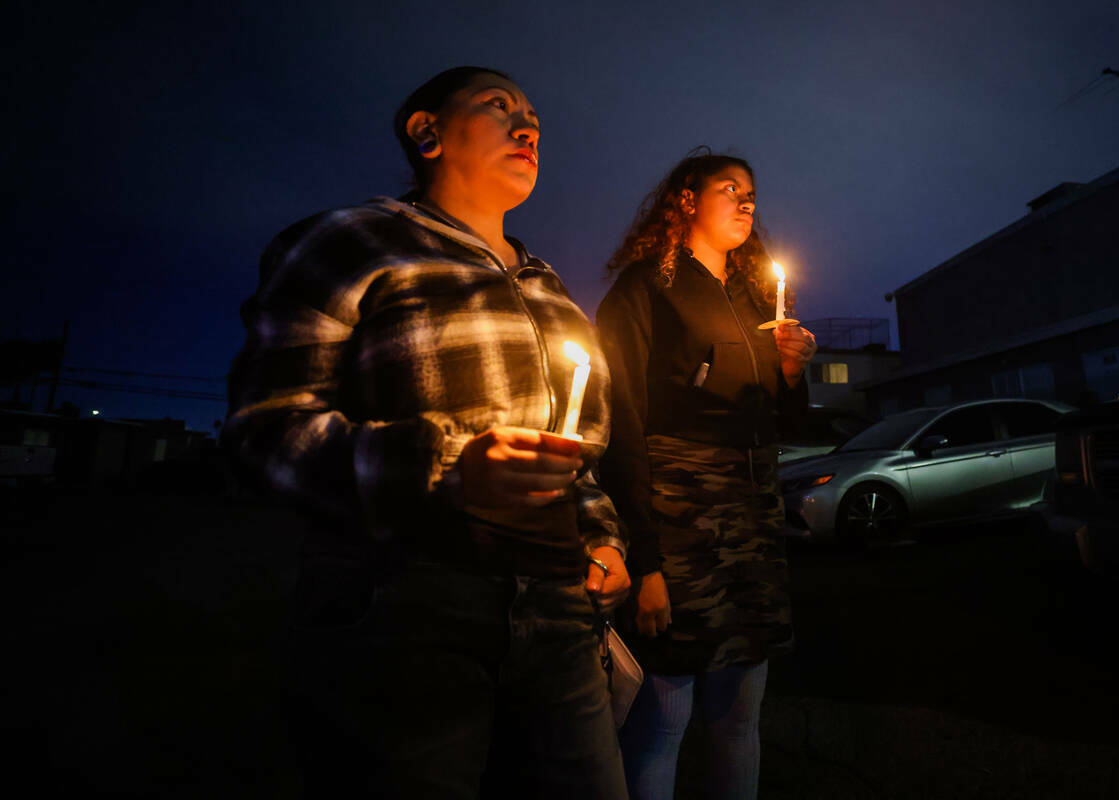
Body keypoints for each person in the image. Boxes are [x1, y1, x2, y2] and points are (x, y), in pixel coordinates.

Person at [223, 66, 631, 799]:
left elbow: (576, 456)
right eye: (499, 107)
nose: (528, 127)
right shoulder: (351, 243)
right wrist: (445, 467)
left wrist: (600, 534)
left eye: (534, 115)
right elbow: (264, 430)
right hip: (406, 608)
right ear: (427, 132)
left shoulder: (550, 290)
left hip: (558, 612)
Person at [596, 150, 817, 799]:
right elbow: (621, 425)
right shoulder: (647, 287)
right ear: (686, 200)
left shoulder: (755, 301)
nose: (748, 202)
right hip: (679, 529)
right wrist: (646, 560)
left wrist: (791, 373)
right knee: (665, 720)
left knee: (739, 718)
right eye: (729, 189)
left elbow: (786, 425)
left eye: (752, 192)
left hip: (752, 533)